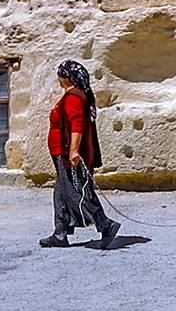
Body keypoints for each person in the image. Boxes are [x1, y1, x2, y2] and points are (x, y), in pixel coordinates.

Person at [40, 60, 121, 249]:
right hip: (61, 152)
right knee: (61, 192)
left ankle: (105, 224)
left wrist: (74, 150)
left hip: (67, 153)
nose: (58, 77)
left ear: (66, 77)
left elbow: (77, 124)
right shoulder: (71, 96)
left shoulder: (73, 98)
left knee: (73, 193)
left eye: (60, 74)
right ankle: (60, 233)